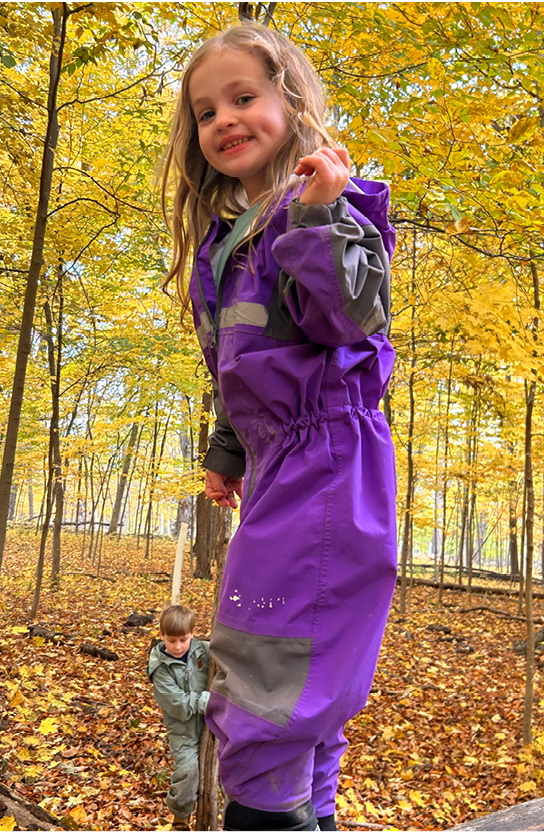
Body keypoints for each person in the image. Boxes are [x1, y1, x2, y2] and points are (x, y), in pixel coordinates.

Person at [160, 21, 398, 833]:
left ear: (290, 101)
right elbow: (237, 365)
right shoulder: (225, 242)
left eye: (243, 97)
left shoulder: (324, 204)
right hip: (276, 463)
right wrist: (230, 447)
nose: (223, 119)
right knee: (300, 683)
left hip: (329, 462)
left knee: (273, 676)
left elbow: (345, 319)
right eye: (205, 110)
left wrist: (321, 217)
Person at [147, 605, 211, 831]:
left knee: (227, 771)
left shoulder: (203, 650)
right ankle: (181, 819)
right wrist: (207, 701)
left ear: (193, 633)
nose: (177, 646)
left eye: (183, 640)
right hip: (182, 732)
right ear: (161, 635)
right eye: (171, 640)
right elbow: (178, 705)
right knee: (188, 772)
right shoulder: (160, 668)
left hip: (213, 728)